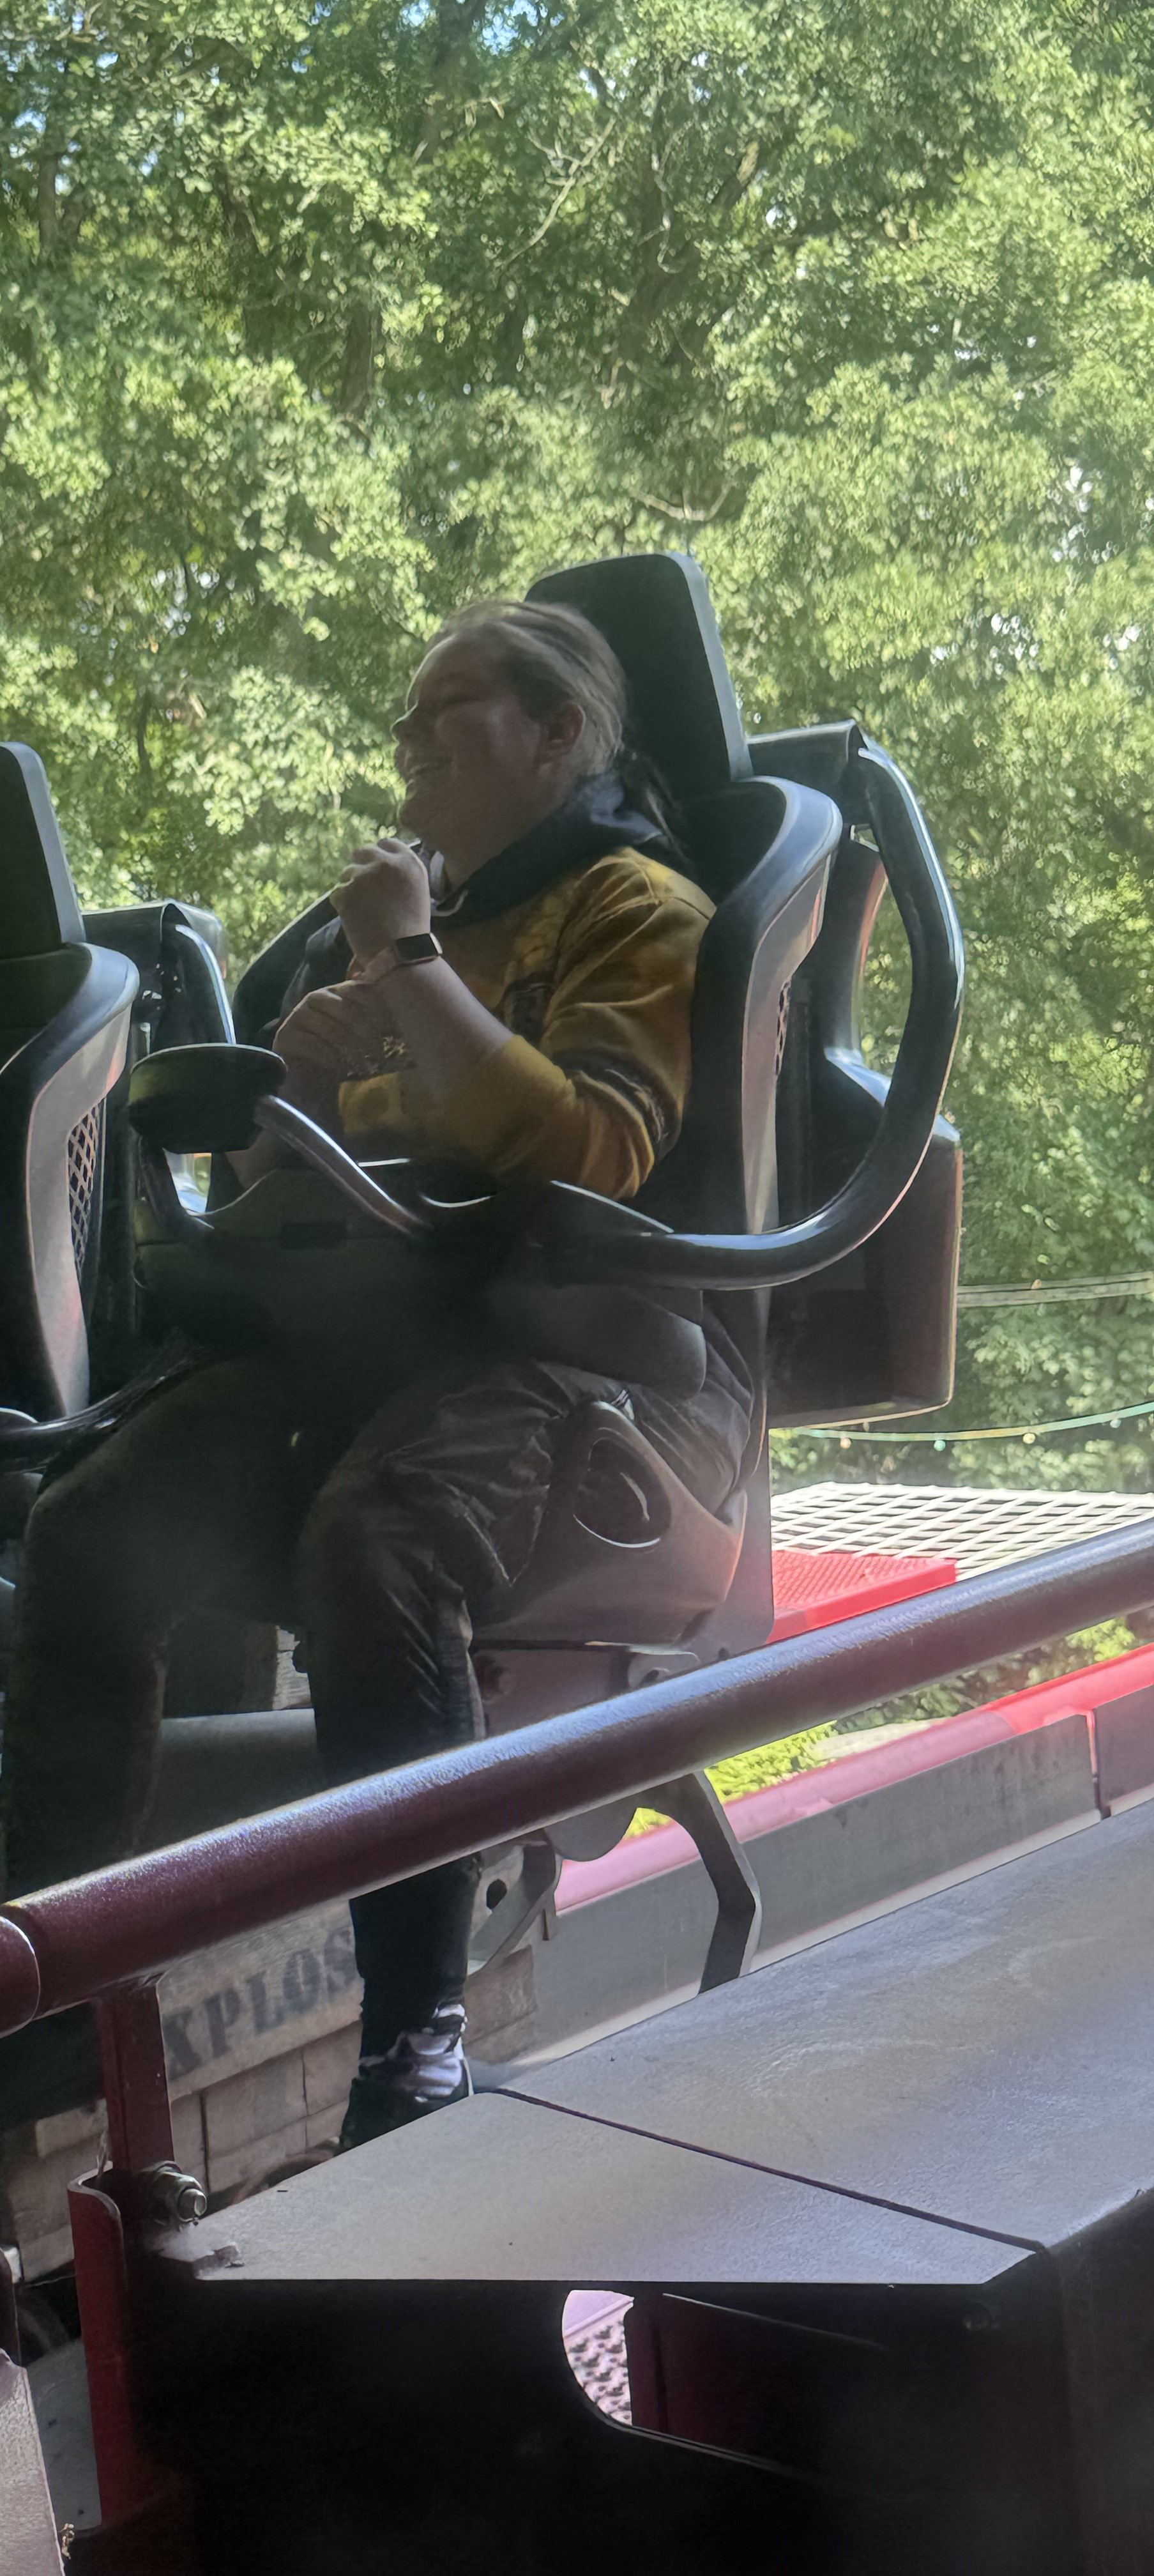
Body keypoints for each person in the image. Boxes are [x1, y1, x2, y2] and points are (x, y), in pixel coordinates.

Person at [0, 601, 756, 2147]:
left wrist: (409, 961)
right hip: (376, 1337)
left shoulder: (636, 906)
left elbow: (591, 1152)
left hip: (576, 1345)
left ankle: (414, 2039)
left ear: (560, 733)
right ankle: (51, 2004)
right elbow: (299, 1176)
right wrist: (306, 1074)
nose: (407, 741)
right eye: (403, 715)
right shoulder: (421, 938)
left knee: (378, 1540)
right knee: (87, 1534)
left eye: (448, 708)